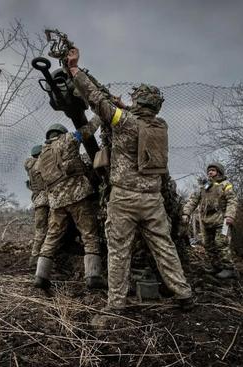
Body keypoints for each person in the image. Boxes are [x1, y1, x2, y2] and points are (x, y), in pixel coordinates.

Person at [67, 47, 193, 311]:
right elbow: (130, 114)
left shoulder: (124, 122)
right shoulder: (160, 126)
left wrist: (75, 70)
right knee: (164, 246)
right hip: (152, 198)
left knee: (119, 251)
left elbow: (95, 100)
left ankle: (116, 304)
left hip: (124, 198)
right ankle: (183, 294)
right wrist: (125, 106)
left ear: (139, 104)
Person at [33, 123, 106, 290]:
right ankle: (93, 276)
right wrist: (101, 114)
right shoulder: (69, 139)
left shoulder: (42, 155)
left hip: (56, 202)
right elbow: (88, 130)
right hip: (77, 196)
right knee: (89, 234)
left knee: (51, 237)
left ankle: (40, 276)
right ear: (61, 133)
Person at [182, 163, 239, 279]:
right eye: (209, 171)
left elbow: (232, 200)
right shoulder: (204, 187)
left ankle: (229, 268)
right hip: (206, 221)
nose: (210, 172)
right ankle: (216, 266)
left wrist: (230, 216)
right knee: (208, 244)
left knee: (221, 243)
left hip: (222, 221)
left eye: (213, 170)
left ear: (219, 172)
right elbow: (193, 200)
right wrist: (186, 213)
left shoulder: (225, 185)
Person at [24, 144, 49, 268]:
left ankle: (34, 257)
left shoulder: (29, 166)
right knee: (47, 231)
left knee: (40, 231)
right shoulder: (41, 164)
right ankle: (42, 259)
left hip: (37, 201)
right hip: (47, 200)